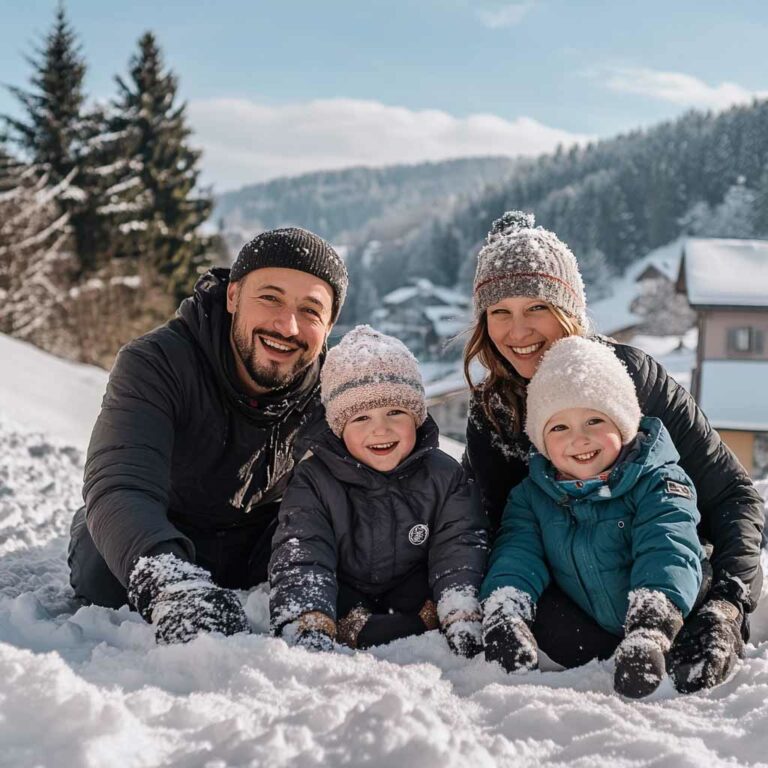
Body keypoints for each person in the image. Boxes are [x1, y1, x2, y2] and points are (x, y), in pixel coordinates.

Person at [463, 210, 764, 693]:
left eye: (536, 307)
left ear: (569, 310)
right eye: (500, 312)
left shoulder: (634, 380)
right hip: (571, 633)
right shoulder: (493, 415)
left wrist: (727, 605)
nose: (517, 333)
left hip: (674, 595)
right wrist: (504, 609)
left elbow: (733, 496)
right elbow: (499, 531)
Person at [67, 227, 348, 644]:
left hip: (259, 542)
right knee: (101, 568)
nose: (287, 325)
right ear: (233, 296)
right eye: (270, 297)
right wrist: (172, 583)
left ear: (328, 327)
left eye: (310, 311)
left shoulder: (334, 389)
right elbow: (120, 484)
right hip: (165, 524)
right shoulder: (157, 363)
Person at [481, 336, 706, 698]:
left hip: (669, 614)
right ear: (540, 440)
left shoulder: (656, 480)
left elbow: (667, 546)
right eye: (559, 427)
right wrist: (507, 610)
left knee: (694, 626)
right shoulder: (532, 496)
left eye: (594, 420)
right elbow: (517, 554)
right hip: (592, 622)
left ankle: (654, 641)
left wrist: (650, 626)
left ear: (624, 424)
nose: (579, 439)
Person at [269, 325, 489, 655]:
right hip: (344, 589)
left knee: (438, 577)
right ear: (339, 427)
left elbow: (460, 543)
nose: (380, 429)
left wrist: (459, 606)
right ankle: (347, 624)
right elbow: (303, 551)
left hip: (412, 591)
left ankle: (419, 622)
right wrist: (308, 616)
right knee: (323, 586)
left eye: (395, 412)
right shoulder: (314, 480)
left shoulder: (444, 476)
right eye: (361, 418)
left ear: (416, 416)